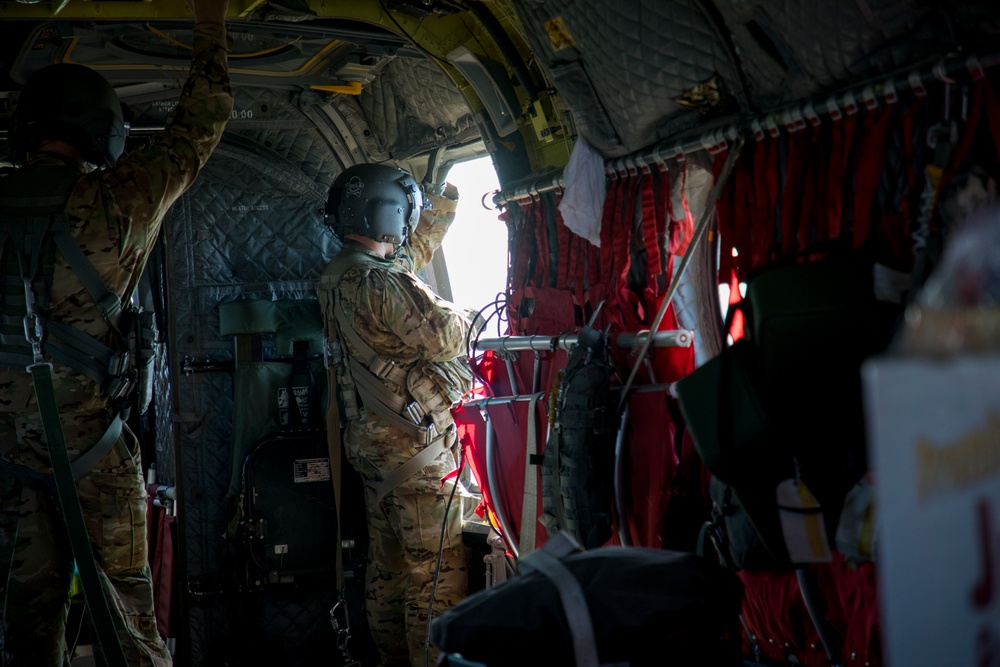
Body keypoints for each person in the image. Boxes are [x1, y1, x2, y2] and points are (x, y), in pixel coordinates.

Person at [0, 1, 233, 664]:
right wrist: (209, 22)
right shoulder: (121, 201)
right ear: (104, 131)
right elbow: (202, 119)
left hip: (5, 454)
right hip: (93, 453)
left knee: (21, 627)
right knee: (127, 621)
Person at [317, 163, 478, 667]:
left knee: (387, 572)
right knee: (434, 579)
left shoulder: (341, 273)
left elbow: (404, 263)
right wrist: (473, 313)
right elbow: (448, 333)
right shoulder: (379, 284)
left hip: (374, 448)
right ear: (391, 216)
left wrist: (440, 210)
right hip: (416, 453)